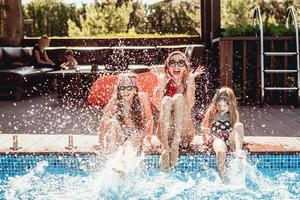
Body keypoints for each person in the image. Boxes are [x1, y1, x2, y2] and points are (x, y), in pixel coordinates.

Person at [153, 51, 205, 171]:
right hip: (165, 134)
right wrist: (161, 84)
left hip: (184, 134)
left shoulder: (188, 84)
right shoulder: (163, 82)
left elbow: (190, 105)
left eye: (181, 63)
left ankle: (175, 144)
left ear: (186, 68)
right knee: (166, 100)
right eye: (172, 63)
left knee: (178, 97)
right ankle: (166, 147)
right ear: (167, 68)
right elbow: (158, 107)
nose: (176, 66)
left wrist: (191, 80)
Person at [97, 73, 153, 154]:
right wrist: (100, 141)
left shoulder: (142, 97)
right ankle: (112, 157)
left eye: (129, 88)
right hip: (122, 132)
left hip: (137, 132)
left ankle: (124, 162)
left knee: (128, 146)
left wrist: (148, 140)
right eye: (122, 88)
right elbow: (105, 118)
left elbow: (149, 119)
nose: (125, 91)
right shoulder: (116, 98)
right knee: (112, 123)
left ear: (135, 90)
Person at [202, 87, 245, 180]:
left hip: (230, 138)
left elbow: (235, 131)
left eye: (225, 105)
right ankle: (223, 175)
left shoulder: (233, 114)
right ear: (215, 104)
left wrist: (233, 138)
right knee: (221, 151)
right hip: (217, 138)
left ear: (231, 104)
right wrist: (207, 139)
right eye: (219, 105)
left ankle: (238, 150)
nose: (222, 108)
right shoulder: (212, 113)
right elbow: (205, 129)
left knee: (239, 125)